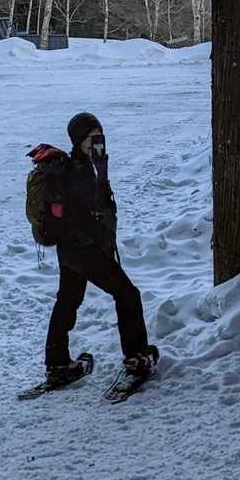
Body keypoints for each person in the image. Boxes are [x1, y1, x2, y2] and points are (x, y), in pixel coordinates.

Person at [37, 111, 158, 383]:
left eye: (99, 136)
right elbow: (96, 210)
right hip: (85, 250)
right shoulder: (81, 172)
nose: (96, 141)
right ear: (78, 141)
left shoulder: (72, 168)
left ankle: (57, 363)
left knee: (68, 300)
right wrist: (102, 176)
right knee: (127, 294)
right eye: (90, 137)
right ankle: (137, 357)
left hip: (69, 251)